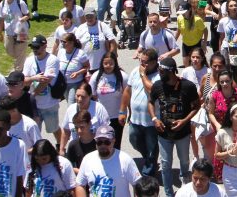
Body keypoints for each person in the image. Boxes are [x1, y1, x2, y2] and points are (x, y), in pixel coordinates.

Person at [147, 57, 201, 197]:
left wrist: (184, 121)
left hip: (182, 133)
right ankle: (169, 194)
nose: (159, 73)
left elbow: (197, 105)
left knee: (184, 163)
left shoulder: (188, 86)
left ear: (171, 71)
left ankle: (186, 191)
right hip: (163, 134)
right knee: (165, 165)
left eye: (161, 71)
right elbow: (150, 102)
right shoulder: (157, 85)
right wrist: (154, 119)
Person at [119, 48, 160, 177]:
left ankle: (148, 173)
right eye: (141, 61)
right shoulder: (135, 71)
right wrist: (122, 111)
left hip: (151, 121)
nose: (142, 64)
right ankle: (148, 159)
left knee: (152, 147)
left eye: (145, 62)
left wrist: (143, 74)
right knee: (134, 140)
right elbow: (127, 91)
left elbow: (151, 89)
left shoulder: (160, 75)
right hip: (135, 119)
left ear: (154, 62)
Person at [74, 125, 142, 197]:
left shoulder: (125, 160)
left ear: (113, 141)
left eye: (107, 142)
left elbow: (137, 185)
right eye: (99, 142)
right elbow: (80, 184)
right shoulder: (88, 159)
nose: (103, 145)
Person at [23, 34, 63, 145]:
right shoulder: (29, 60)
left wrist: (33, 94)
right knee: (34, 131)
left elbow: (46, 81)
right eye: (33, 47)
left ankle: (60, 146)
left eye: (37, 47)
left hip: (49, 104)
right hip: (34, 105)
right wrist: (33, 78)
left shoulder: (52, 60)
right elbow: (24, 80)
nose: (34, 50)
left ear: (45, 46)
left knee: (54, 128)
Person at [90, 51, 129, 147]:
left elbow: (128, 95)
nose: (108, 66)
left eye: (111, 63)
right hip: (100, 117)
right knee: (101, 143)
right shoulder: (96, 76)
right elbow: (92, 96)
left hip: (117, 116)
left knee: (115, 143)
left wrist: (127, 112)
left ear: (115, 63)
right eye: (105, 63)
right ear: (102, 64)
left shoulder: (123, 76)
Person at [0, 0, 30, 72]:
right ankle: (22, 61)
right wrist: (0, 33)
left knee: (20, 53)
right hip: (8, 32)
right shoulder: (2, 4)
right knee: (9, 50)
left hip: (21, 31)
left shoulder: (20, 3)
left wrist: (23, 19)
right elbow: (1, 19)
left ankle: (18, 71)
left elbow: (28, 15)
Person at [75, 6, 117, 73]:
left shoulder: (102, 25)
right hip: (85, 66)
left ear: (95, 15)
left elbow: (112, 42)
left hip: (101, 65)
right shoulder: (81, 28)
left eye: (91, 16)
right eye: (87, 16)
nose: (89, 18)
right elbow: (75, 44)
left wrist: (110, 57)